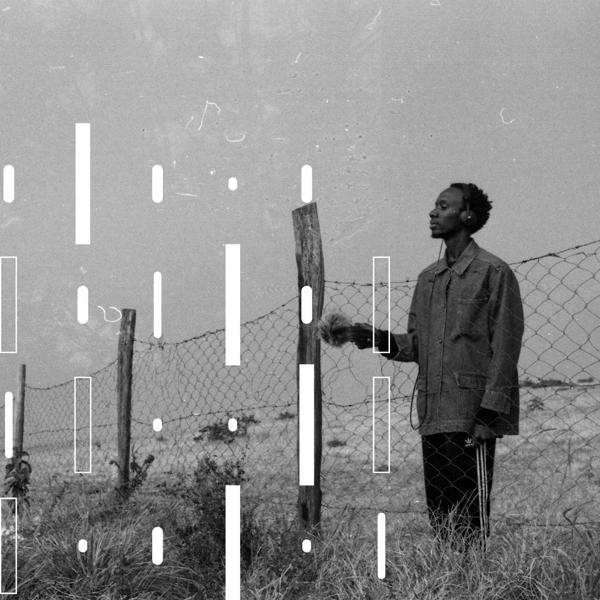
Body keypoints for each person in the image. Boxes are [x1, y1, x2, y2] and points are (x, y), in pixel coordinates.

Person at [350, 183, 524, 547]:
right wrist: (375, 337)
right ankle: (448, 579)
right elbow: (416, 346)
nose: (433, 212)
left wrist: (490, 415)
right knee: (441, 515)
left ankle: (471, 582)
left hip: (472, 415)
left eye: (444, 206)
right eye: (434, 205)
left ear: (467, 216)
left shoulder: (494, 272)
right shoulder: (428, 279)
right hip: (433, 412)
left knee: (469, 518)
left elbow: (505, 346)